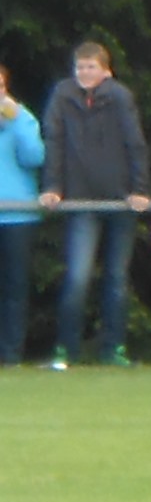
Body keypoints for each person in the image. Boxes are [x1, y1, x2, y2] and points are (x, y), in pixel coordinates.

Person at [38, 41, 151, 369]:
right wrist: (53, 187)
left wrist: (139, 189)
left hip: (119, 199)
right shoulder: (62, 96)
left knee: (116, 277)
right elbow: (54, 141)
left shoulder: (120, 97)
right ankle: (66, 351)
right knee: (77, 277)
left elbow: (135, 143)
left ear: (106, 71)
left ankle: (114, 349)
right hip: (80, 199)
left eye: (91, 67)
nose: (85, 73)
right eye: (80, 67)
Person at [0, 66, 48, 366]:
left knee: (15, 288)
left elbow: (35, 157)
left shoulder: (23, 118)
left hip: (18, 216)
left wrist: (15, 122)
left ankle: (11, 355)